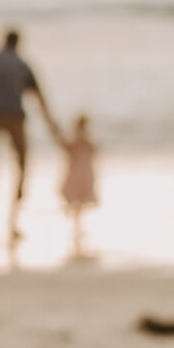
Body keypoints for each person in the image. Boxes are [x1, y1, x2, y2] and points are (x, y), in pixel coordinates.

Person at [0, 27, 59, 248]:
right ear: (18, 43)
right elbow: (39, 97)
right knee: (21, 164)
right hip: (15, 117)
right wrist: (53, 127)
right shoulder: (22, 63)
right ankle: (14, 220)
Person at [55, 112, 100, 261]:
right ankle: (77, 227)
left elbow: (94, 152)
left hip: (82, 177)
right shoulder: (79, 142)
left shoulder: (83, 142)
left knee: (78, 204)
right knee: (76, 203)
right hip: (79, 177)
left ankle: (77, 227)